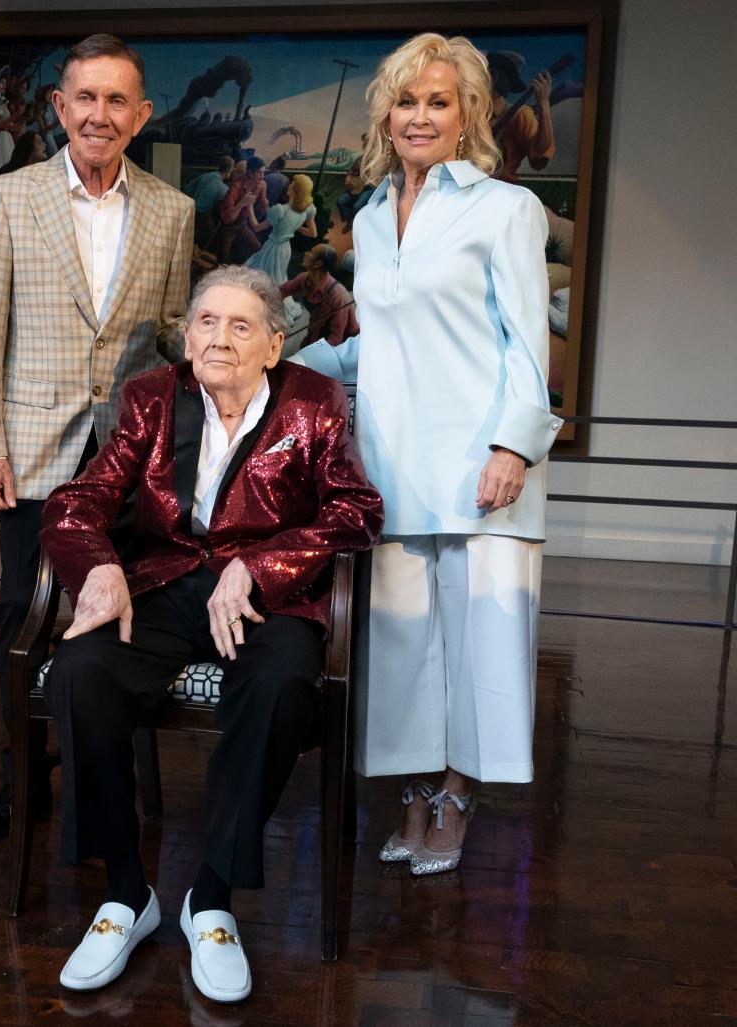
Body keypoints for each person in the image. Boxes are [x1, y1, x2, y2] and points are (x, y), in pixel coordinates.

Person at [39, 266, 383, 1001]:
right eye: (205, 321)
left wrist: (262, 564)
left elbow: (357, 511)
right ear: (187, 333)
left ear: (273, 344)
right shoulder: (151, 398)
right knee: (79, 672)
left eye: (239, 325)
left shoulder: (313, 402)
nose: (218, 338)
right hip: (163, 584)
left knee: (287, 683)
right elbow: (79, 500)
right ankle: (127, 896)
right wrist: (97, 566)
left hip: (264, 596)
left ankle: (212, 898)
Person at [292, 33, 562, 877]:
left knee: (479, 647)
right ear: (386, 114)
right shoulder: (371, 219)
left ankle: (456, 795)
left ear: (468, 115)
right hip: (392, 467)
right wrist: (278, 369)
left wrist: (512, 446)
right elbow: (377, 349)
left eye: (438, 102)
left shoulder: (505, 210)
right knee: (406, 648)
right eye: (406, 101)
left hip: (485, 466)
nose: (419, 116)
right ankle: (412, 792)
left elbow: (529, 343)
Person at [0, 33, 195, 842]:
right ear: (59, 108)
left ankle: (109, 776)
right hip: (33, 449)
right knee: (23, 614)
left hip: (130, 458)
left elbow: (172, 335)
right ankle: (21, 778)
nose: (100, 114)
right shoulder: (8, 198)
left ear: (141, 114)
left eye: (116, 99)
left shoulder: (174, 210)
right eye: (84, 98)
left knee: (123, 617)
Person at [487, 50, 555, 184]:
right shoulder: (470, 114)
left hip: (503, 194)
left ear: (494, 77)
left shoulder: (520, 115)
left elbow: (539, 159)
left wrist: (544, 104)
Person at [243, 173, 317, 285]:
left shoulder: (280, 210)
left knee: (261, 278)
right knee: (276, 281)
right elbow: (313, 233)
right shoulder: (308, 209)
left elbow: (256, 227)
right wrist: (295, 227)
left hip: (273, 249)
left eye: (292, 183)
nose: (290, 185)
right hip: (286, 249)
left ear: (295, 189)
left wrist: (249, 207)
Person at [279, 244, 359, 346]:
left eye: (311, 252)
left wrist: (312, 350)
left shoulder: (338, 296)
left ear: (318, 263)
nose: (306, 253)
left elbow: (336, 338)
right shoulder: (305, 278)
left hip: (346, 343)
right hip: (318, 331)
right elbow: (281, 292)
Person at [216, 156, 268, 262]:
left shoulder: (262, 185)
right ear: (249, 173)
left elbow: (264, 208)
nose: (262, 176)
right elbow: (227, 219)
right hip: (228, 228)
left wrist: (277, 214)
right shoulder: (234, 189)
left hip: (242, 225)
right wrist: (241, 203)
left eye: (263, 172)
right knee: (223, 260)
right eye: (259, 173)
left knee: (258, 249)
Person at [183, 155, 235, 247]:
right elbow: (226, 203)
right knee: (214, 237)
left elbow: (187, 189)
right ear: (229, 169)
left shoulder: (205, 176)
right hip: (204, 214)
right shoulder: (222, 187)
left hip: (190, 210)